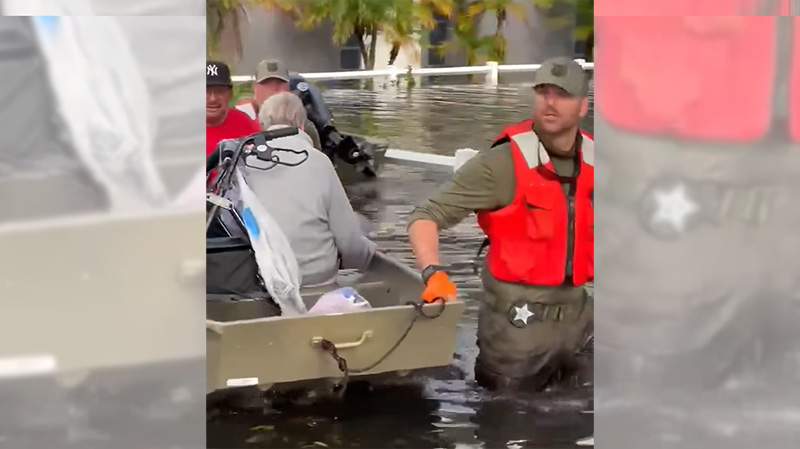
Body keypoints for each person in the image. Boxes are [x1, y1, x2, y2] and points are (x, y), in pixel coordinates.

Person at [407, 56, 594, 391]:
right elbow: (426, 216)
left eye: (562, 94)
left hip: (580, 322)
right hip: (517, 330)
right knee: (509, 426)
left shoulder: (597, 161)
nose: (550, 102)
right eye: (543, 91)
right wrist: (433, 274)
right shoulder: (500, 164)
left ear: (582, 106)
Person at [242, 91, 376, 287]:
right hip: (317, 278)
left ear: (262, 125)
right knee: (360, 223)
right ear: (302, 125)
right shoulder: (320, 161)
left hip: (265, 279)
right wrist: (368, 256)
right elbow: (348, 241)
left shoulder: (245, 163)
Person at [235, 59, 322, 151]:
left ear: (288, 87)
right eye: (267, 83)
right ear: (255, 88)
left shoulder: (303, 124)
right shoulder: (238, 118)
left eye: (280, 82)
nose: (274, 88)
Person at [206, 60, 260, 157]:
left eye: (219, 91)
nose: (213, 98)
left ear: (230, 94)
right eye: (206, 91)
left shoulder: (245, 123)